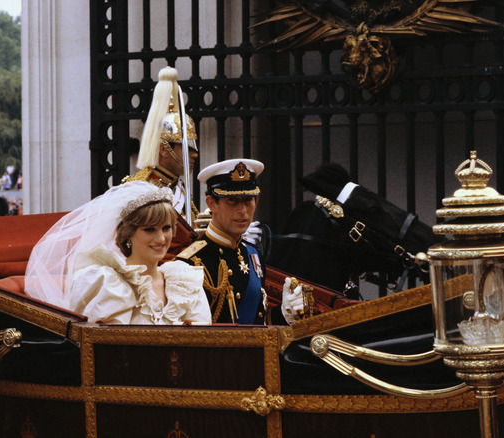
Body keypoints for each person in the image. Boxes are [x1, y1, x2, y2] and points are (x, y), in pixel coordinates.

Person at [25, 181, 211, 325]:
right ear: (128, 234)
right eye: (149, 230)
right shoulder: (106, 283)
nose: (161, 239)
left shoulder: (186, 281)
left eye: (166, 228)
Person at [177, 159, 306, 325]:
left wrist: (285, 314)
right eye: (232, 200)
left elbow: (258, 324)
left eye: (248, 200)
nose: (242, 211)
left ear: (256, 201)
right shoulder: (190, 263)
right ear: (212, 204)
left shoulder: (252, 253)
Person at [123, 67, 200, 258]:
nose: (194, 154)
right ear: (164, 149)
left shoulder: (177, 186)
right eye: (186, 147)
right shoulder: (142, 187)